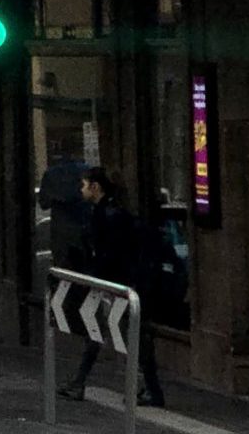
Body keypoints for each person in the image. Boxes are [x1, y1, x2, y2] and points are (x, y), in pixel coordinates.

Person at [57, 168, 165, 408]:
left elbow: (113, 253)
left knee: (127, 334)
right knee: (100, 330)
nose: (81, 189)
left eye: (84, 184)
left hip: (118, 283)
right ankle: (80, 381)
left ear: (96, 187)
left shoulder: (110, 215)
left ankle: (149, 389)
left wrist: (98, 274)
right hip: (110, 282)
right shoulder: (101, 212)